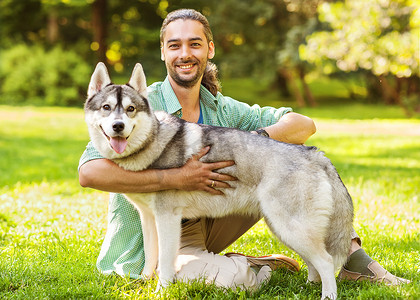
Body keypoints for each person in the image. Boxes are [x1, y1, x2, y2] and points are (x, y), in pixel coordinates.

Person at [79, 8, 409, 289]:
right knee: (217, 279)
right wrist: (176, 177)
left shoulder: (223, 110)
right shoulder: (140, 105)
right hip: (164, 232)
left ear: (209, 49)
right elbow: (89, 173)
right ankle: (252, 266)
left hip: (213, 207)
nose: (185, 54)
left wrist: (255, 143)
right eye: (174, 45)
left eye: (194, 44)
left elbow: (302, 125)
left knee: (302, 163)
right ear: (163, 52)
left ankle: (355, 260)